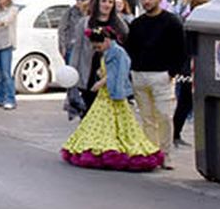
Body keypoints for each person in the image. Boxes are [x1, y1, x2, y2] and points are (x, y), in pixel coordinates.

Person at [61, 28, 163, 171]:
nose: (97, 49)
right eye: (95, 47)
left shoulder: (117, 53)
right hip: (106, 94)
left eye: (98, 46)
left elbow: (116, 72)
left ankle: (110, 148)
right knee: (101, 121)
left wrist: (101, 82)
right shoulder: (109, 52)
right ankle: (99, 145)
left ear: (107, 41)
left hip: (112, 93)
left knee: (115, 122)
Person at [126, 0, 185, 167]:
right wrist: (132, 71)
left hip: (161, 75)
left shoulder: (172, 22)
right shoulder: (136, 23)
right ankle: (151, 153)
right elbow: (130, 49)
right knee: (147, 118)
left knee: (164, 116)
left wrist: (172, 72)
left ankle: (165, 154)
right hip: (139, 75)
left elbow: (181, 50)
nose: (147, 1)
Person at [73, 0, 129, 114]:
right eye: (104, 1)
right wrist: (73, 73)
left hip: (111, 73)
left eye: (110, 2)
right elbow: (77, 49)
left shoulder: (120, 24)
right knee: (89, 111)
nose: (107, 5)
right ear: (97, 3)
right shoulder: (85, 23)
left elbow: (125, 51)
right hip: (90, 71)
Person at [171, 0, 207, 146]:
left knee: (185, 104)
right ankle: (175, 134)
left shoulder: (188, 22)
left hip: (187, 69)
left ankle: (176, 133)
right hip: (188, 69)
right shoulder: (191, 24)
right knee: (185, 103)